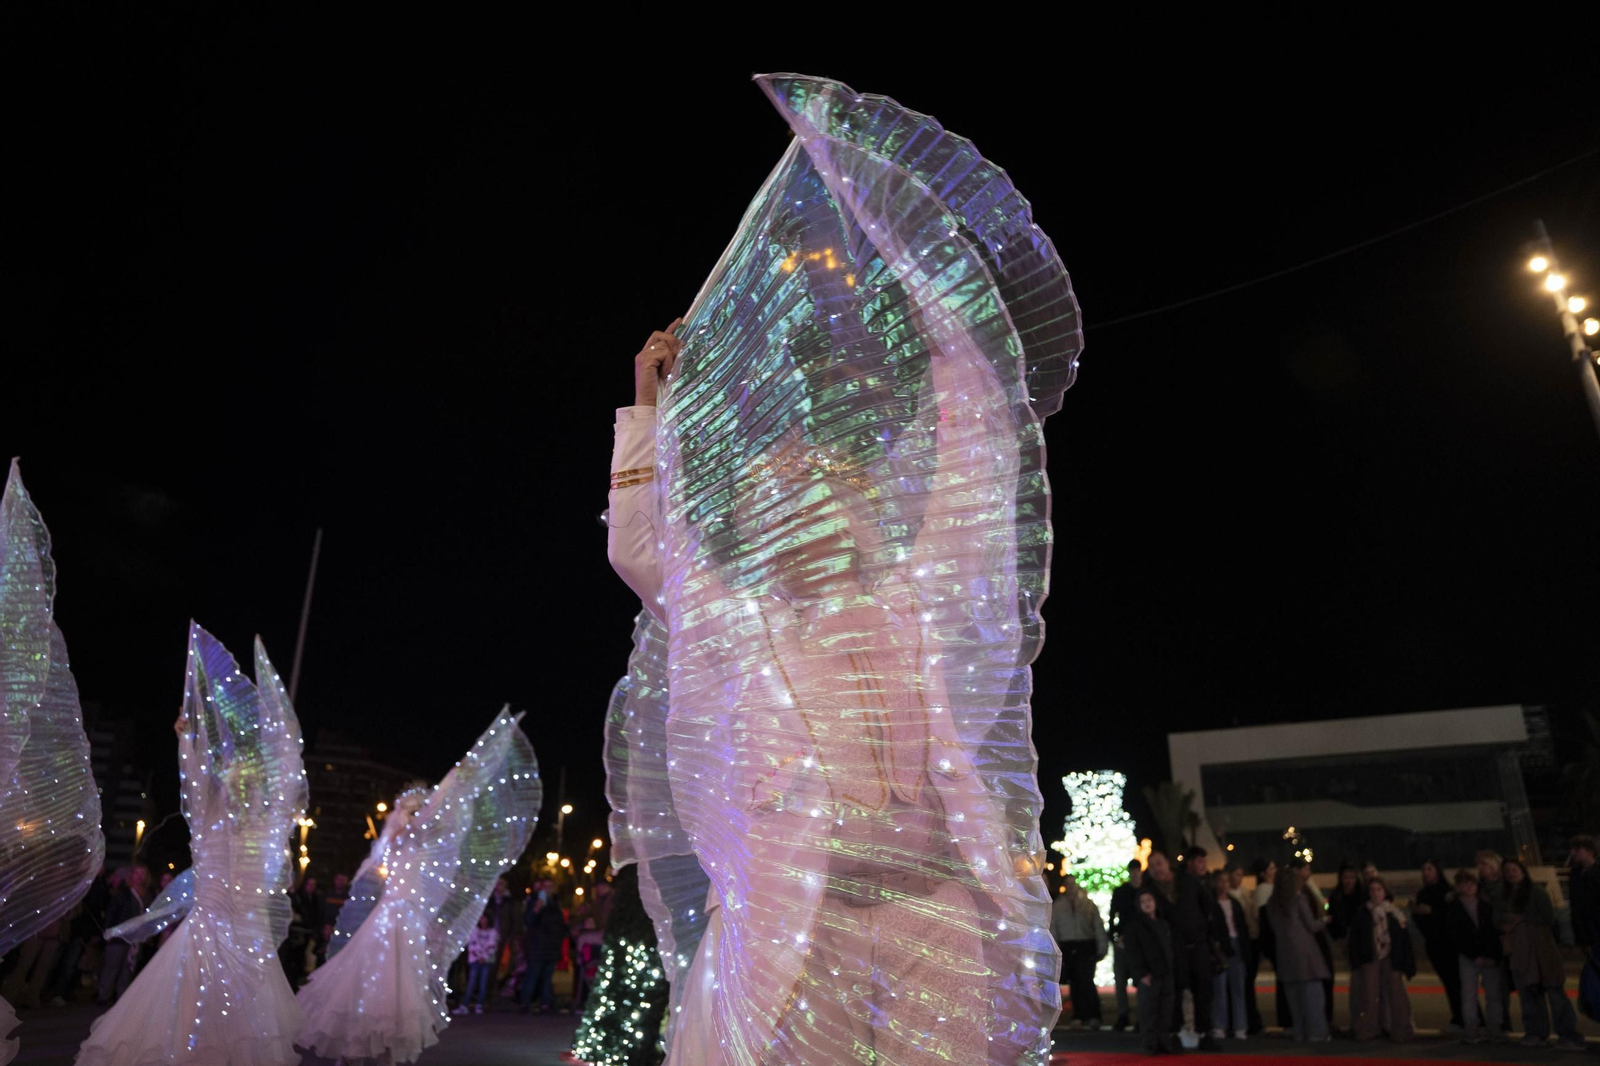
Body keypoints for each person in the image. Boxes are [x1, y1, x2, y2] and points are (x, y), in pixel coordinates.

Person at [602, 74, 1083, 1066]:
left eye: (825, 487)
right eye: (782, 496)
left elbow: (972, 463)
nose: (808, 500)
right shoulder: (738, 622)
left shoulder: (909, 599)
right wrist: (648, 405)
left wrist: (940, 315)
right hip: (795, 929)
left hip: (933, 913)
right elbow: (641, 549)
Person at [76, 626, 306, 1066]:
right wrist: (185, 739)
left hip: (246, 930)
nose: (242, 790)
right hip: (211, 926)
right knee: (190, 1016)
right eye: (237, 782)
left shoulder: (259, 827)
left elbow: (281, 806)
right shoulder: (211, 816)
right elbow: (197, 779)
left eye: (249, 785)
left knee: (240, 1027)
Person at [296, 710, 540, 1064]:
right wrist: (451, 785)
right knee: (372, 981)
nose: (413, 817)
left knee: (397, 991)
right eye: (409, 811)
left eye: (415, 812)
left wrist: (459, 780)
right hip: (391, 918)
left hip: (406, 919)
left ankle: (380, 1049)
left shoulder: (418, 840)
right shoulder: (399, 839)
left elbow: (440, 824)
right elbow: (415, 832)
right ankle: (357, 1048)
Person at [1495, 858, 1585, 1051]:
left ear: (1522, 871)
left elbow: (1548, 918)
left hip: (1542, 948)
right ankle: (1535, 1032)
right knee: (1528, 995)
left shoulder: (1536, 892)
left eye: (1514, 869)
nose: (1511, 873)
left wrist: (1520, 920)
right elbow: (1497, 920)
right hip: (1519, 951)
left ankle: (1568, 1035)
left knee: (1555, 993)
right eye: (1507, 871)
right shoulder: (1503, 896)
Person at [1147, 850, 1221, 1050]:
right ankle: (1175, 1033)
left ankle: (1205, 1032)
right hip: (1173, 949)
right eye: (1152, 866)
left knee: (1203, 989)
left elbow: (1207, 907)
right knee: (1175, 992)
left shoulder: (1187, 881)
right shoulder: (1150, 890)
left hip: (1197, 945)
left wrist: (1208, 935)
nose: (1156, 869)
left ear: (1167, 863)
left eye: (1159, 863)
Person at [1267, 865, 1330, 1042]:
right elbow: (1311, 925)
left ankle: (1299, 1031)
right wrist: (1325, 920)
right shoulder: (1298, 899)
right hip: (1305, 953)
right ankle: (1316, 1032)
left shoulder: (1272, 903)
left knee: (1294, 999)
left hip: (1285, 953)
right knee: (1313, 997)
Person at [1348, 875, 1414, 1041]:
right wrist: (1356, 960)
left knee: (1396, 994)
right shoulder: (1363, 913)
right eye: (1372, 890)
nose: (1375, 893)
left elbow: (1403, 939)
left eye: (1379, 890)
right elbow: (1355, 938)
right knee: (1368, 994)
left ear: (1385, 892)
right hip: (1370, 956)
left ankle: (1401, 1029)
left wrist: (1406, 962)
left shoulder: (1394, 912)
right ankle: (1368, 1029)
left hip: (1391, 956)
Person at [1449, 868, 1503, 1043]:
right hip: (1468, 956)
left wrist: (1491, 954)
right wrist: (1474, 954)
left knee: (1493, 994)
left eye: (1472, 883)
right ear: (1458, 887)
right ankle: (1471, 1030)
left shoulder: (1485, 905)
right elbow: (1456, 936)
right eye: (1465, 884)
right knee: (1469, 994)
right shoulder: (1454, 908)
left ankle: (1495, 1029)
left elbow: (1492, 932)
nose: (1469, 886)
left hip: (1488, 955)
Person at [1124, 886, 1179, 1055]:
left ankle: (1163, 1042)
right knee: (1149, 1011)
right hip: (1149, 976)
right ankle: (1150, 1044)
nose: (1147, 904)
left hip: (1165, 973)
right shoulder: (1134, 926)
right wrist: (1141, 974)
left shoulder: (1163, 924)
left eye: (1149, 900)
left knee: (1165, 1010)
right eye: (1143, 901)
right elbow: (1132, 952)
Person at [1410, 858, 1461, 1031]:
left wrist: (1432, 912)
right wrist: (1417, 913)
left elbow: (1451, 918)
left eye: (1429, 869)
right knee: (1449, 983)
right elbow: (1422, 924)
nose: (1426, 872)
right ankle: (1459, 1017)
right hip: (1434, 944)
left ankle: (1469, 1019)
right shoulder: (1423, 893)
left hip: (1451, 944)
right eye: (1424, 869)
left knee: (1457, 983)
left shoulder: (1448, 891)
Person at [1052, 876, 1106, 1029]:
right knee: (1075, 981)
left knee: (1087, 980)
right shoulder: (1058, 905)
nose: (1070, 886)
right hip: (1068, 945)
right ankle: (1079, 1015)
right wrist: (1055, 948)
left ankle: (1093, 1014)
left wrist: (1102, 946)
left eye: (1072, 883)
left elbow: (1097, 925)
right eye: (1067, 883)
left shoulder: (1087, 904)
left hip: (1085, 944)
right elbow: (1053, 927)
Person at [94, 865, 147, 1005]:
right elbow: (112, 912)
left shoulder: (146, 895)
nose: (139, 876)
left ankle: (120, 997)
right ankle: (103, 995)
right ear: (131, 875)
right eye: (137, 873)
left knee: (127, 969)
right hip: (119, 936)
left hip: (135, 938)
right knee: (112, 966)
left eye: (142, 873)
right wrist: (108, 931)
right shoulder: (124, 893)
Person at [1208, 871, 1249, 1040]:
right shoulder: (1211, 904)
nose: (1224, 885)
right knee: (1220, 988)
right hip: (1220, 947)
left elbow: (1242, 927)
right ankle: (1220, 1025)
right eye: (1220, 881)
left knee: (1237, 987)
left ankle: (1240, 1026)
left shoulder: (1235, 903)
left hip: (1236, 944)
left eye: (1226, 881)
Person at [519, 887, 569, 1014]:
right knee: (533, 975)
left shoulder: (555, 908)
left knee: (545, 977)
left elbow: (560, 926)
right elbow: (528, 921)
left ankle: (544, 1003)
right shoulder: (535, 905)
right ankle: (527, 1002)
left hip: (549, 947)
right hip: (538, 947)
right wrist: (536, 909)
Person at [1108, 860, 1145, 1031]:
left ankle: (1139, 1016)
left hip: (1139, 941)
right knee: (1121, 978)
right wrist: (1114, 936)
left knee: (1138, 979)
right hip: (1124, 940)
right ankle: (1124, 1014)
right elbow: (1112, 914)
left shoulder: (1144, 891)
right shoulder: (1122, 892)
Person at [455, 912, 499, 1016]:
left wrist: (485, 957)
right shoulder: (474, 931)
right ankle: (465, 1005)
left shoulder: (493, 932)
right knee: (471, 983)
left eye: (484, 918)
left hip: (486, 961)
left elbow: (492, 946)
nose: (483, 921)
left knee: (483, 984)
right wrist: (479, 956)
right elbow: (472, 944)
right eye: (481, 918)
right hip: (475, 960)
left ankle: (479, 1004)